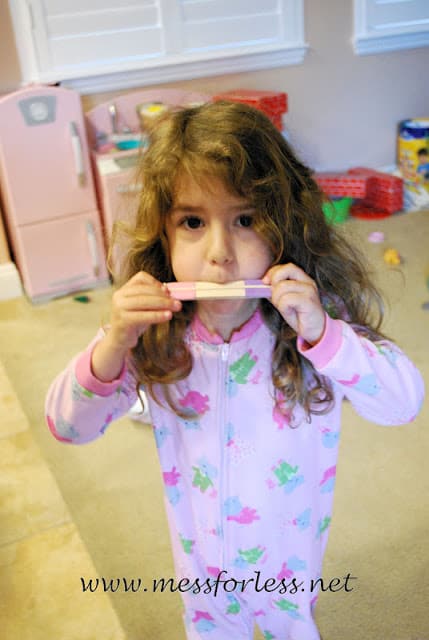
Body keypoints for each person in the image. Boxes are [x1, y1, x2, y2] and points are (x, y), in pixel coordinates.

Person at [45, 101, 424, 640]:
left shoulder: (312, 327)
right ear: (163, 232)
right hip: (201, 577)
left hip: (288, 572)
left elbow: (403, 403)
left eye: (245, 220)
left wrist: (325, 335)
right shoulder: (151, 333)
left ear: (283, 225)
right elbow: (68, 427)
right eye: (193, 222)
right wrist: (114, 342)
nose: (219, 254)